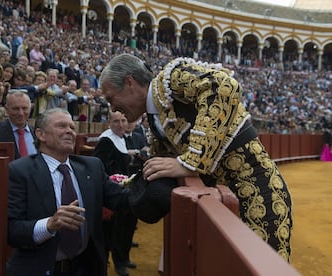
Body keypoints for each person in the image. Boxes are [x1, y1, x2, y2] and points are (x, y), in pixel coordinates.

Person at [99, 54, 293, 262]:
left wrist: (191, 161)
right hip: (222, 199)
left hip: (257, 187)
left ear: (130, 82)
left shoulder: (171, 80)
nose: (112, 108)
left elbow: (223, 85)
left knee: (264, 263)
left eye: (111, 98)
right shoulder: (156, 117)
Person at [6, 108, 130, 276]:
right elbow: (12, 230)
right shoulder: (20, 171)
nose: (69, 132)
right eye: (61, 126)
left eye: (72, 127)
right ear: (41, 134)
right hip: (39, 268)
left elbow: (124, 200)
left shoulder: (92, 167)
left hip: (86, 268)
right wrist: (49, 224)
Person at [93, 111, 135, 276]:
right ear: (109, 123)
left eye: (123, 120)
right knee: (115, 231)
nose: (121, 124)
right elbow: (100, 166)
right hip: (113, 193)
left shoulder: (121, 138)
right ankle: (118, 263)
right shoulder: (106, 140)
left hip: (124, 189)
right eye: (116, 121)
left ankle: (123, 258)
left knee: (125, 228)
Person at [0, 90, 36, 159]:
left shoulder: (38, 134)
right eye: (15, 109)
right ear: (6, 110)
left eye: (24, 108)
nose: (21, 113)